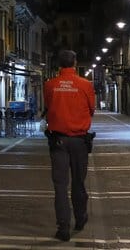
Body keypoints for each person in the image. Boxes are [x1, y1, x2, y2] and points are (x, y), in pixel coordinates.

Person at [43, 50, 96, 242]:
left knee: (60, 186)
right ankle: (80, 219)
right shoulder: (85, 85)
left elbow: (48, 107)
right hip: (80, 141)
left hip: (58, 141)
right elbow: (92, 109)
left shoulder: (49, 85)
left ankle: (63, 227)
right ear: (75, 63)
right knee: (78, 183)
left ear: (59, 64)